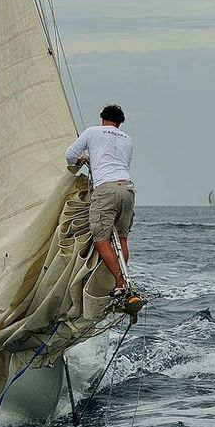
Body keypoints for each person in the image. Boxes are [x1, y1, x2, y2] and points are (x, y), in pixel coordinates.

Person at [65, 103, 135, 294]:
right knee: (122, 239)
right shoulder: (127, 139)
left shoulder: (93, 132)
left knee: (101, 239)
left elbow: (69, 155)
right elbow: (124, 164)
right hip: (127, 188)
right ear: (120, 123)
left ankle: (120, 282)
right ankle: (124, 279)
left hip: (106, 190)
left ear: (102, 119)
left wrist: (79, 161)